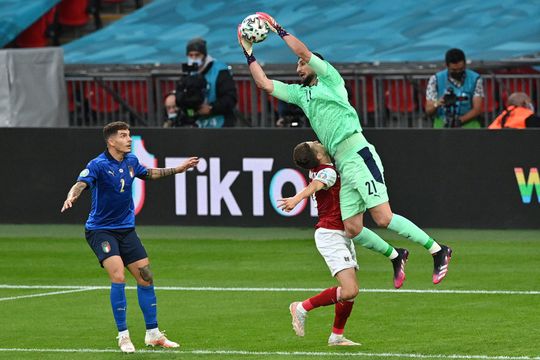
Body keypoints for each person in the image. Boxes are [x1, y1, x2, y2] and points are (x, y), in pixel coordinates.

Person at [238, 13, 452, 289]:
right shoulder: (302, 95)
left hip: (358, 153)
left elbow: (303, 50)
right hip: (343, 163)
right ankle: (396, 255)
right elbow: (264, 85)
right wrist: (248, 53)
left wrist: (278, 29)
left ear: (317, 64)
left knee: (383, 217)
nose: (298, 68)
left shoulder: (330, 80)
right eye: (297, 65)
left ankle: (438, 250)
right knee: (351, 227)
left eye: (302, 64)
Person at [61, 121, 199, 353]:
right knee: (118, 277)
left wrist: (178, 168)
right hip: (101, 230)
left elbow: (150, 173)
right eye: (124, 136)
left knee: (145, 278)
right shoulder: (98, 164)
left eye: (129, 135)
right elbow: (81, 183)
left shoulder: (131, 161)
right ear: (111, 141)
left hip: (126, 230)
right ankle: (124, 336)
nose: (128, 139)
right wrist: (71, 196)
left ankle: (153, 334)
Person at [278, 141, 364, 346]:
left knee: (350, 291)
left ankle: (337, 336)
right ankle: (301, 307)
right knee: (350, 290)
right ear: (317, 156)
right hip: (330, 235)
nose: (317, 141)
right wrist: (297, 199)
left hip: (342, 233)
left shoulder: (322, 166)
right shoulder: (327, 172)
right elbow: (315, 185)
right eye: (314, 143)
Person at [178, 37, 237, 128]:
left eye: (197, 55)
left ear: (204, 55)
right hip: (195, 124)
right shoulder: (188, 72)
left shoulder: (220, 70)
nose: (193, 58)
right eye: (190, 55)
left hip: (219, 123)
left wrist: (211, 108)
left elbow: (230, 98)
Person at [425, 48, 484, 128]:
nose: (458, 72)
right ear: (447, 66)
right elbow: (428, 110)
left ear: (465, 64)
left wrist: (460, 121)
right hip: (442, 126)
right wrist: (438, 103)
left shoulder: (475, 78)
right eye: (454, 70)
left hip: (469, 126)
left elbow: (477, 109)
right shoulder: (435, 79)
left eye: (461, 69)